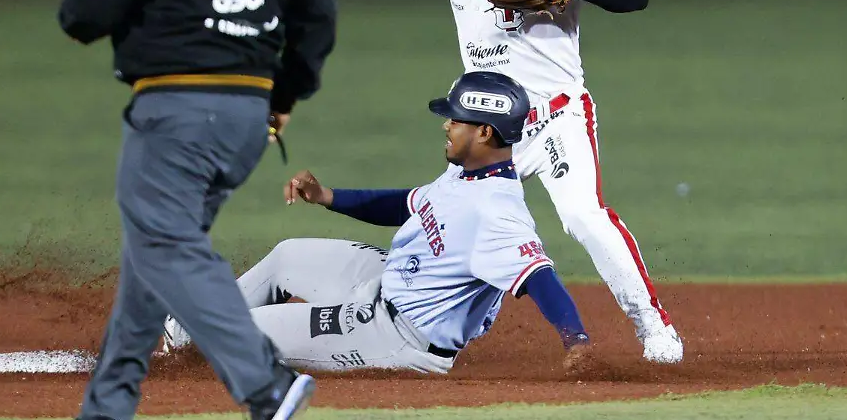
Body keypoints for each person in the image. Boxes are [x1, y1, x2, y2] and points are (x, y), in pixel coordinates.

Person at [57, 0, 336, 420]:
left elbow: (82, 13)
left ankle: (265, 384)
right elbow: (319, 19)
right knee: (155, 250)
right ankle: (107, 405)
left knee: (168, 244)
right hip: (245, 118)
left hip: (176, 112)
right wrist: (283, 95)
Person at [358, 0, 682, 364]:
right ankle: (417, 333)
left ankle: (653, 326)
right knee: (437, 221)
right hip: (490, 132)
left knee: (582, 216)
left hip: (556, 118)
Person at [162, 71, 597, 375]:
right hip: (389, 281)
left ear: (484, 133)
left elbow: (541, 277)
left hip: (395, 336)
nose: (446, 125)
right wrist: (328, 197)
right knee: (287, 256)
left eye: (456, 119)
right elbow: (408, 204)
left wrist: (576, 342)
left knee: (231, 336)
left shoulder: (497, 214)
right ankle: (177, 338)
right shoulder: (467, 172)